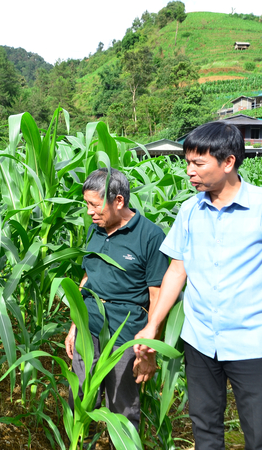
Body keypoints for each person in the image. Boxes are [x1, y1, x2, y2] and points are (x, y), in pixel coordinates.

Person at [134, 121, 262, 450]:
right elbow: (176, 270)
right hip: (200, 342)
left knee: (258, 436)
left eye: (198, 163)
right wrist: (152, 325)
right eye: (187, 163)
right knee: (205, 429)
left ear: (228, 163)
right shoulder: (189, 210)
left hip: (252, 343)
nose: (189, 172)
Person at [65, 168, 169, 434]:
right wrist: (75, 325)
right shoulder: (95, 231)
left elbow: (157, 295)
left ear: (119, 201)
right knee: (78, 400)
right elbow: (88, 278)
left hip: (125, 336)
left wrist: (148, 349)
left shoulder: (150, 236)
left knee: (122, 409)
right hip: (88, 330)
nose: (89, 211)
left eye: (94, 205)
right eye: (87, 204)